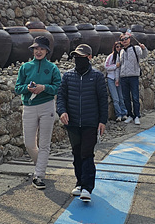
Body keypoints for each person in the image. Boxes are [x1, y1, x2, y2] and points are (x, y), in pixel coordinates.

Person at [56, 44, 108, 203]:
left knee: (87, 153)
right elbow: (61, 97)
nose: (78, 59)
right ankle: (79, 182)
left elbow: (103, 100)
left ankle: (87, 187)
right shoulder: (68, 76)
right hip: (72, 123)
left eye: (81, 57)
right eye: (76, 57)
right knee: (77, 153)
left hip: (90, 122)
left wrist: (102, 121)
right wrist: (62, 112)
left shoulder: (97, 76)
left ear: (89, 57)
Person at [14, 36, 61, 190]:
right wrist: (27, 88)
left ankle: (39, 175)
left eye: (41, 49)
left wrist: (44, 88)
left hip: (47, 106)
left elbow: (58, 87)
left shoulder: (53, 68)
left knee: (44, 143)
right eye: (36, 48)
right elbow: (17, 88)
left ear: (47, 51)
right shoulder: (25, 67)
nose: (38, 51)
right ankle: (39, 166)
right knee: (29, 144)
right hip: (29, 106)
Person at [118, 31, 147, 125]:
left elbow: (144, 56)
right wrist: (118, 78)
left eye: (126, 38)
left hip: (133, 76)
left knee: (135, 97)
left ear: (129, 39)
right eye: (122, 39)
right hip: (123, 77)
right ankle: (130, 115)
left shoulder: (136, 48)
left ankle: (137, 115)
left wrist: (144, 48)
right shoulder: (121, 51)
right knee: (126, 98)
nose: (124, 40)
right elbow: (120, 65)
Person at [104, 41, 128, 122]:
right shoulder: (111, 56)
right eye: (117, 47)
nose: (119, 48)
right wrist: (115, 66)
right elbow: (106, 66)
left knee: (121, 97)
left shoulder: (123, 56)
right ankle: (119, 114)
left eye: (120, 47)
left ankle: (124, 113)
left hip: (120, 78)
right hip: (111, 78)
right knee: (115, 98)